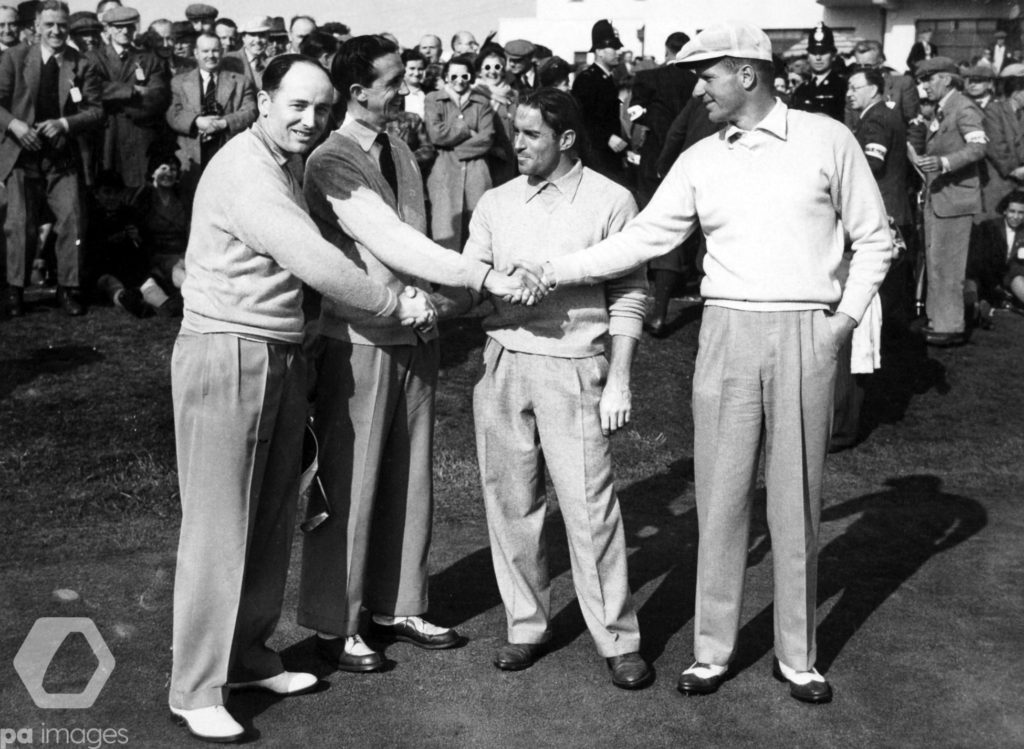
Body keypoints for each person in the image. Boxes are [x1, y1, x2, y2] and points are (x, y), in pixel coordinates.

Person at [519, 21, 892, 704]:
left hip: (807, 329)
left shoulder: (827, 139)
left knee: (795, 498)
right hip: (724, 332)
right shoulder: (701, 157)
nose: (697, 86)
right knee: (719, 495)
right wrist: (557, 267)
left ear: (747, 73)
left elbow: (875, 240)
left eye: (707, 74)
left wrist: (840, 324)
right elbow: (642, 238)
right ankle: (712, 651)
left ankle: (798, 655)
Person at [167, 53, 434, 743]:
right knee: (221, 525)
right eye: (296, 106)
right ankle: (194, 685)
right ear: (262, 101)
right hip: (228, 349)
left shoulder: (283, 161)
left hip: (277, 352)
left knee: (270, 518)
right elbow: (311, 257)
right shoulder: (244, 166)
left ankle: (249, 656)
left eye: (321, 109)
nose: (311, 120)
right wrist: (392, 303)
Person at [296, 35, 535, 674]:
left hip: (415, 334)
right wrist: (478, 278)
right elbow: (388, 238)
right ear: (358, 92)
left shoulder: (400, 145)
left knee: (409, 477)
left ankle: (397, 603)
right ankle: (335, 622)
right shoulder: (329, 161)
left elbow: (418, 242)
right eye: (394, 79)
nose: (405, 87)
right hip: (357, 341)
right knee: (351, 483)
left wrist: (435, 292)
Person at [460, 87, 652, 689]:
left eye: (530, 134)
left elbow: (629, 295)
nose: (515, 143)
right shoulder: (495, 201)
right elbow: (471, 280)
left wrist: (619, 376)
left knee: (589, 508)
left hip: (575, 367)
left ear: (565, 139)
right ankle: (525, 625)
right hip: (504, 362)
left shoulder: (611, 199)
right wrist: (491, 286)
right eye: (514, 131)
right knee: (512, 502)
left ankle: (616, 638)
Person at [1, 0, 103, 317]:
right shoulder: (14, 59)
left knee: (73, 220)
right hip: (22, 156)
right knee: (20, 224)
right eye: (49, 25)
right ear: (37, 27)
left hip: (62, 157)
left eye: (61, 25)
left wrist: (64, 124)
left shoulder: (81, 63)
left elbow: (97, 111)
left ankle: (68, 289)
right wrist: (15, 125)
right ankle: (15, 291)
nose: (56, 31)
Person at [912, 56, 987, 346]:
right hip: (942, 199)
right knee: (937, 264)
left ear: (945, 78)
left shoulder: (963, 108)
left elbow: (979, 147)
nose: (924, 87)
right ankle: (937, 320)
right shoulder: (946, 109)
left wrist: (944, 162)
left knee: (949, 267)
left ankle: (950, 326)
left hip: (954, 201)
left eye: (929, 79)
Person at [166, 31, 256, 200]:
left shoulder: (241, 82)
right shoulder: (179, 82)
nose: (210, 56)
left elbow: (250, 111)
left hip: (227, 151)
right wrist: (197, 121)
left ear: (221, 52)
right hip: (192, 154)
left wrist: (223, 123)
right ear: (196, 53)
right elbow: (173, 113)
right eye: (205, 51)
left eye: (215, 51)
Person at [89, 5, 170, 189]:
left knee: (141, 191)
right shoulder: (93, 59)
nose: (125, 31)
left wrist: (114, 101)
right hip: (108, 136)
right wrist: (132, 91)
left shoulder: (149, 59)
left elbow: (157, 96)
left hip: (140, 135)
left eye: (130, 26)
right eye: (118, 27)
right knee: (109, 190)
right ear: (108, 29)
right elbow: (92, 90)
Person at [424, 54, 494, 251]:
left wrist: (453, 147)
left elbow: (487, 137)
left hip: (477, 169)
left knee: (477, 228)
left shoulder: (482, 102)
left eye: (464, 76)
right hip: (444, 170)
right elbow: (436, 134)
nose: (459, 81)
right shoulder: (433, 99)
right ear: (446, 76)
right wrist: (465, 129)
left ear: (471, 77)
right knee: (444, 228)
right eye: (454, 76)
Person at [572, 20, 627, 184]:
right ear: (599, 51)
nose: (618, 52)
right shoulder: (587, 79)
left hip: (610, 154)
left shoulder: (608, 78)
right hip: (595, 154)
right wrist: (606, 138)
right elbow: (582, 117)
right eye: (614, 48)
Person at [968, 190, 1024, 324]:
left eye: (1021, 213)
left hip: (1012, 276)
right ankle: (976, 307)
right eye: (1012, 211)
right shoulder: (989, 227)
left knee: (1016, 276)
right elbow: (980, 258)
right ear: (1005, 211)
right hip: (988, 275)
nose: (1016, 217)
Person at [850, 39, 919, 125]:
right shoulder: (852, 87)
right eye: (859, 66)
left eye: (868, 66)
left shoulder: (902, 84)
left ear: (881, 63)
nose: (863, 71)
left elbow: (914, 123)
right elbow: (849, 124)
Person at [790, 23, 846, 122]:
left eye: (823, 52)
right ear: (808, 56)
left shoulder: (842, 86)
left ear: (833, 55)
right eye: (814, 53)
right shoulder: (801, 89)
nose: (818, 58)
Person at [222, 15, 271, 89]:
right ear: (243, 37)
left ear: (268, 37)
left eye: (262, 35)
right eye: (252, 35)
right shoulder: (229, 61)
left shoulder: (271, 62)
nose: (257, 40)